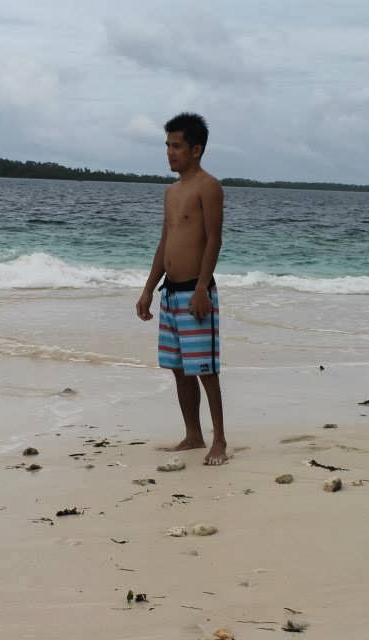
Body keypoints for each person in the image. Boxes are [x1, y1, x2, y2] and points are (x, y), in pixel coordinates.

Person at [136, 112, 227, 465]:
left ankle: (219, 441)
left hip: (195, 292)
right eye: (168, 146)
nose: (170, 152)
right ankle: (193, 434)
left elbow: (214, 239)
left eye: (176, 146)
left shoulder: (209, 186)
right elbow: (165, 242)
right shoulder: (171, 192)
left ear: (196, 149)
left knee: (205, 369)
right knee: (178, 367)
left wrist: (203, 287)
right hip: (171, 292)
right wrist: (148, 289)